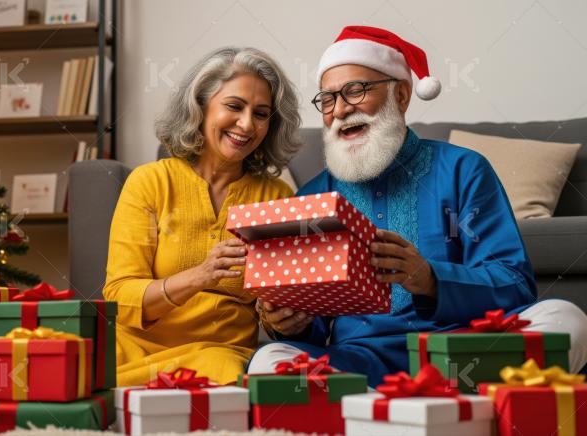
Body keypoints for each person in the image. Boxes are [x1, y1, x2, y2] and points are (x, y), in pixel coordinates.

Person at [248, 26, 587, 386]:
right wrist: (289, 322)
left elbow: (514, 284)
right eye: (328, 99)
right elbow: (314, 328)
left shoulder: (463, 170)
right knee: (269, 359)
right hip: (361, 361)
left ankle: (387, 405)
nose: (341, 110)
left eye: (355, 91)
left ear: (402, 95)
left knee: (566, 320)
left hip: (463, 351)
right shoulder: (313, 197)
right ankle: (432, 402)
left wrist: (430, 278)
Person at [104, 47, 301, 386]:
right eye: (234, 106)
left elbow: (275, 315)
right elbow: (119, 297)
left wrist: (280, 318)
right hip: (133, 352)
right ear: (200, 106)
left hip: (218, 356)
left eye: (261, 113)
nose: (246, 124)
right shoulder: (150, 182)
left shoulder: (277, 197)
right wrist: (200, 276)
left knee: (227, 369)